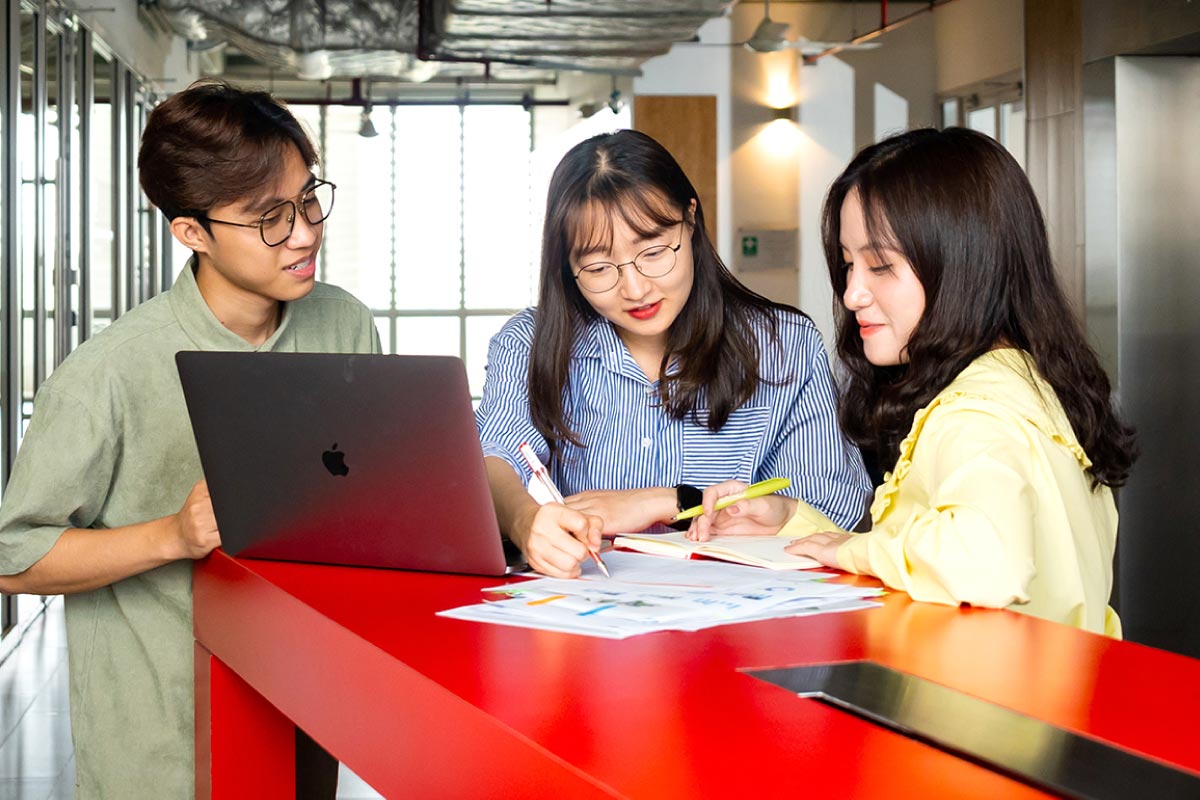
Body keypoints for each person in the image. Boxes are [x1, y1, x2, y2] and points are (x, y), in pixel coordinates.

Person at [0, 80, 380, 798]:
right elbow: (13, 556)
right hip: (163, 736)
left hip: (305, 711)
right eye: (268, 218)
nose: (303, 233)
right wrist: (172, 536)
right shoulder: (108, 371)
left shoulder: (345, 324)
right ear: (192, 232)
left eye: (308, 199)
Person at [690, 127, 1137, 636]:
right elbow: (927, 555)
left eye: (881, 266)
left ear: (964, 265)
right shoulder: (1025, 381)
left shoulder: (975, 412)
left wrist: (852, 550)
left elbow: (988, 564)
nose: (852, 293)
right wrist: (795, 521)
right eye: (848, 264)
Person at [476, 129, 871, 579]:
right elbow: (493, 460)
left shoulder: (783, 345)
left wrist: (668, 501)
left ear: (690, 218)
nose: (635, 288)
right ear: (566, 266)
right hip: (583, 603)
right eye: (599, 268)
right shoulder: (529, 342)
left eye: (654, 251)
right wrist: (526, 520)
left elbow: (834, 506)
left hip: (736, 607)